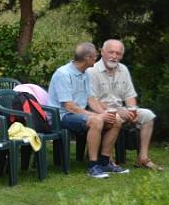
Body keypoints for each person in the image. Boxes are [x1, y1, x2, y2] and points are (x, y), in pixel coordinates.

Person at [48, 42, 124, 179]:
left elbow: (91, 99)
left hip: (77, 114)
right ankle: (93, 166)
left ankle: (105, 162)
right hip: (61, 116)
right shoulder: (63, 74)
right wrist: (98, 116)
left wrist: (104, 114)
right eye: (95, 56)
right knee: (96, 121)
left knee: (116, 120)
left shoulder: (85, 74)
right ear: (88, 58)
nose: (96, 59)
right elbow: (69, 106)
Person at [88, 39, 161, 171]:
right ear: (102, 52)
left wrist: (132, 110)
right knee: (115, 118)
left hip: (121, 110)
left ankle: (143, 158)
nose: (114, 56)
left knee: (148, 116)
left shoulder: (123, 70)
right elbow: (93, 100)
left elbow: (129, 95)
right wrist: (118, 111)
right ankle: (107, 158)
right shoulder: (92, 71)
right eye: (111, 52)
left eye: (118, 53)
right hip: (100, 112)